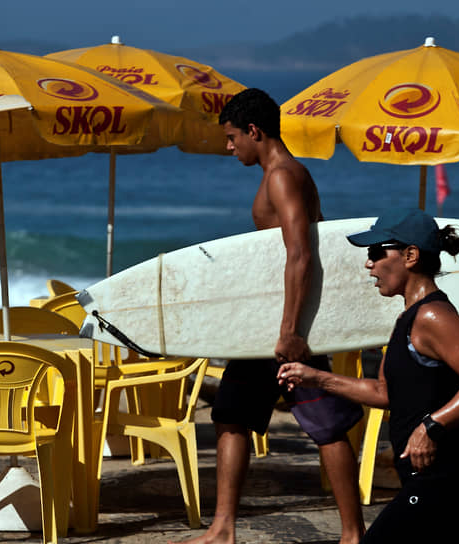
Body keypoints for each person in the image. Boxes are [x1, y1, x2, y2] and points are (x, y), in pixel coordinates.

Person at [172, 88, 365, 544]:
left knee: (325, 423)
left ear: (254, 131)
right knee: (232, 415)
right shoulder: (282, 175)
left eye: (233, 136)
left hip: (288, 327)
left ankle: (353, 534)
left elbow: (301, 254)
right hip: (271, 324)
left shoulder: (283, 176)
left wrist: (293, 331)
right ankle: (222, 529)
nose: (229, 146)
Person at [277, 207, 459, 542]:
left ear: (410, 255)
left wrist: (430, 427)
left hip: (450, 481)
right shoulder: (406, 320)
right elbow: (384, 392)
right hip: (434, 480)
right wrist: (317, 378)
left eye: (376, 252)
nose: (369, 264)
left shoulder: (433, 316)